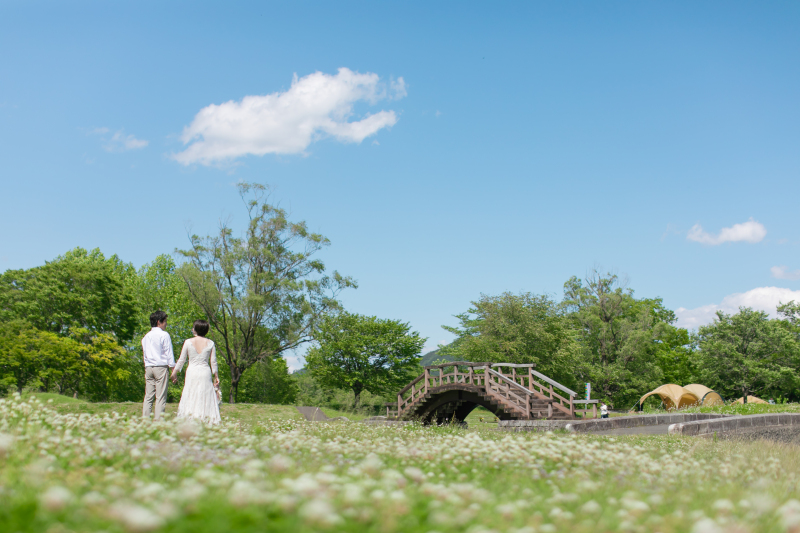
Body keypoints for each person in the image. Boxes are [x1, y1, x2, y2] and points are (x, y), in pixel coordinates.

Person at [170, 319, 221, 424]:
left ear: (196, 329)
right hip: (205, 371)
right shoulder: (210, 343)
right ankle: (205, 419)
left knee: (191, 393)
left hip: (192, 371)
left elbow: (181, 360)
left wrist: (174, 373)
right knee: (204, 395)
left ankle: (189, 418)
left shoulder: (188, 342)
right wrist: (216, 376)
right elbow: (213, 362)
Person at [142, 310, 175, 420]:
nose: (166, 323)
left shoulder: (146, 336)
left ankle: (145, 420)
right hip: (160, 367)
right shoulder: (164, 335)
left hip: (149, 367)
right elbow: (169, 354)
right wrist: (173, 370)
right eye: (165, 321)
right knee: (160, 397)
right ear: (158, 322)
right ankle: (158, 422)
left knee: (148, 397)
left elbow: (145, 354)